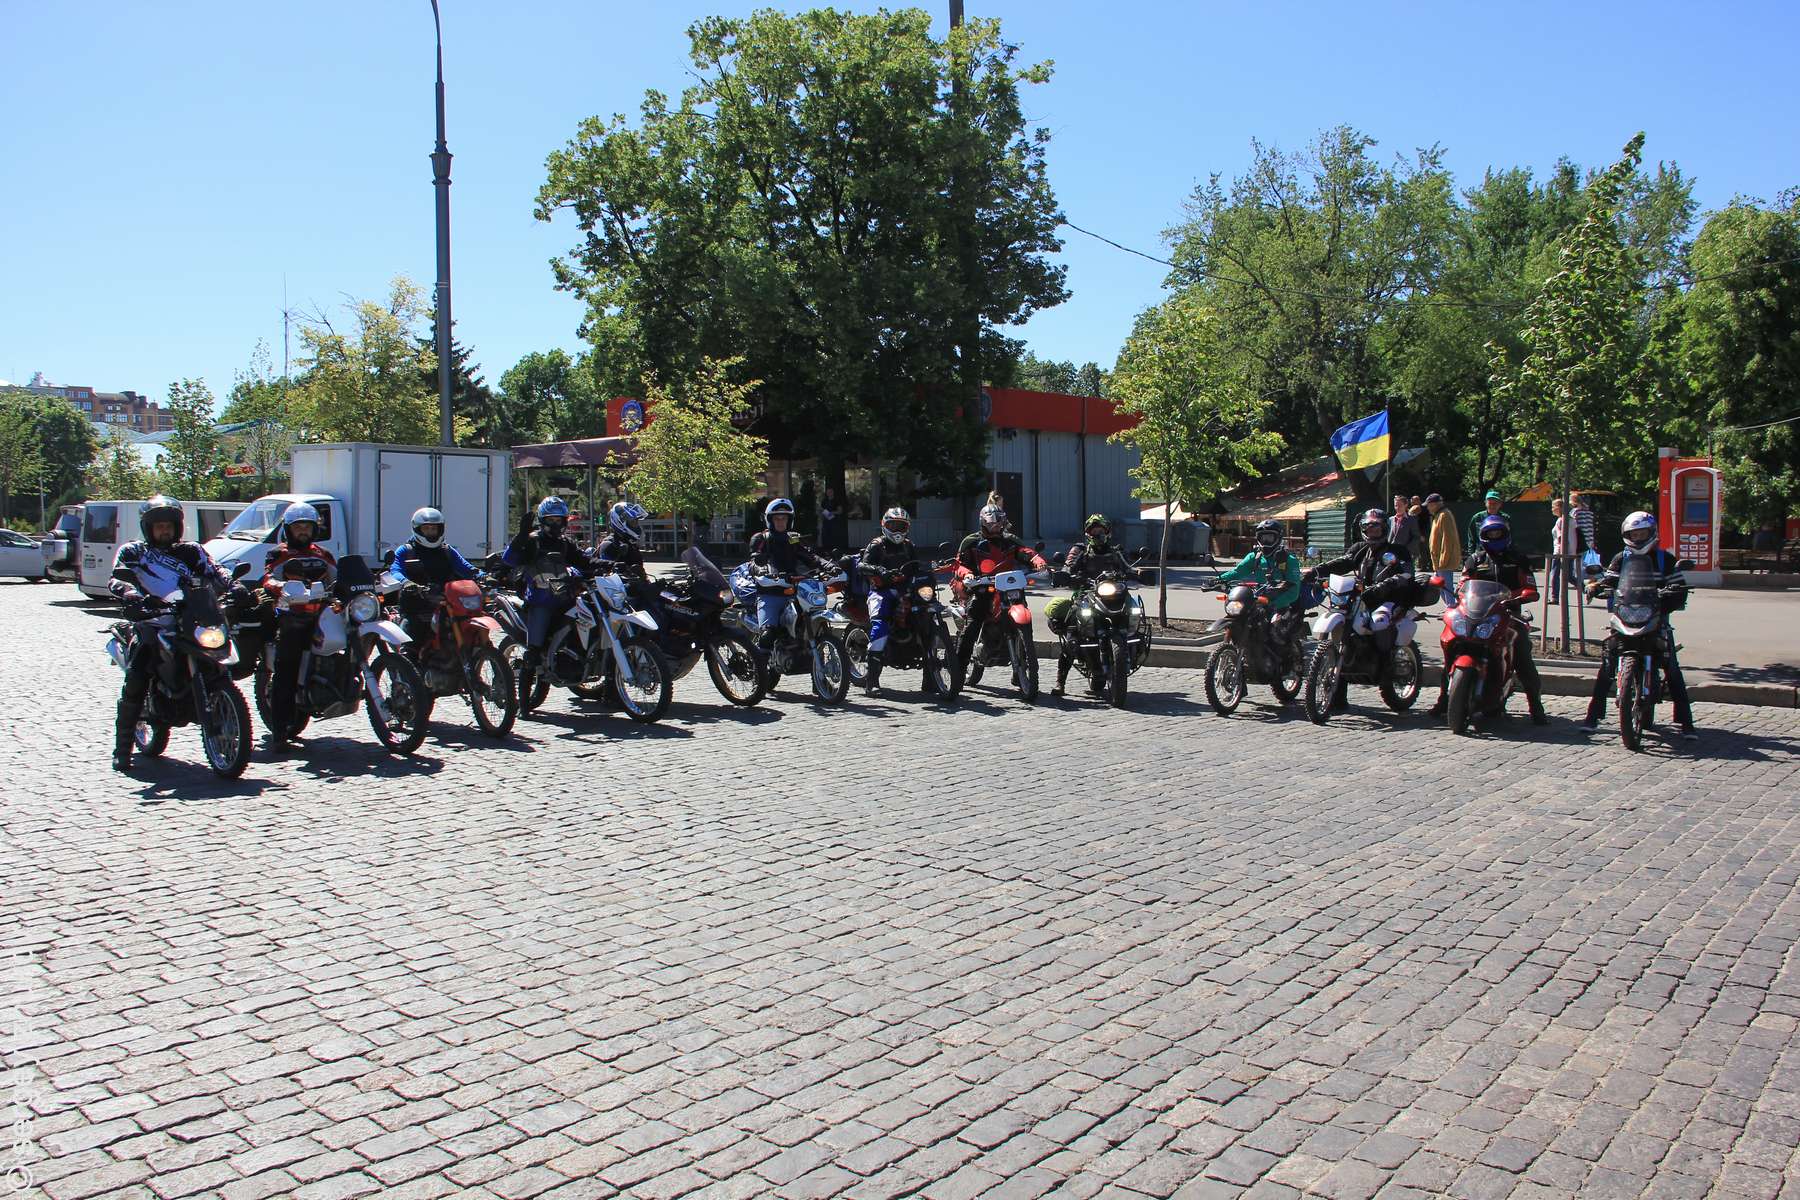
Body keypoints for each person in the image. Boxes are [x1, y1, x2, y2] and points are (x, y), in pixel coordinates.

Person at [108, 496, 248, 772]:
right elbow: (117, 578)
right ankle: (122, 749)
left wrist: (234, 586)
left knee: (221, 651)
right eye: (159, 526)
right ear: (148, 528)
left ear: (178, 527)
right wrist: (131, 595)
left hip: (192, 619)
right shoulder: (133, 552)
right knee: (138, 673)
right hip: (153, 620)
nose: (164, 531)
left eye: (169, 526)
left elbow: (215, 570)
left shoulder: (192, 551)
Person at [1582, 511, 1696, 739]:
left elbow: (1678, 587)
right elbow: (1609, 580)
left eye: (1642, 533)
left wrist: (1674, 594)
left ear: (1652, 532)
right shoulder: (1620, 558)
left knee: (1671, 666)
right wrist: (1596, 586)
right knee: (1607, 664)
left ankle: (1686, 723)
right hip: (1625, 615)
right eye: (1634, 534)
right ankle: (1592, 717)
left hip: (1655, 616)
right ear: (1627, 535)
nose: (1638, 537)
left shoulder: (1665, 559)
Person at [1434, 514, 1547, 724]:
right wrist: (1461, 595)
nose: (1494, 537)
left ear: (1506, 534)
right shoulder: (1475, 559)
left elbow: (1529, 586)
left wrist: (1520, 596)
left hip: (1508, 613)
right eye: (1490, 534)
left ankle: (1536, 707)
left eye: (1498, 533)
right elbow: (1464, 584)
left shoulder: (1518, 559)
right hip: (1478, 612)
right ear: (1483, 536)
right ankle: (1443, 700)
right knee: (1453, 647)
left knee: (1522, 653)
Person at [261, 501, 338, 745]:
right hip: (292, 615)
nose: (303, 531)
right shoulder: (279, 553)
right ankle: (280, 731)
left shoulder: (323, 554)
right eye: (298, 527)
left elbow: (338, 578)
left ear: (315, 529)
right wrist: (280, 587)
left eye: (307, 527)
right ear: (288, 529)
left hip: (323, 614)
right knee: (287, 669)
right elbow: (268, 578)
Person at [504, 497, 602, 669]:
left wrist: (607, 564)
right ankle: (530, 665)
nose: (556, 524)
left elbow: (584, 561)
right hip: (540, 599)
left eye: (559, 520)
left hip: (565, 597)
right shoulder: (533, 540)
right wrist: (521, 536)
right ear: (543, 520)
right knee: (534, 653)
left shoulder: (564, 543)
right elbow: (509, 559)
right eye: (551, 520)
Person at [1047, 514, 1135, 695]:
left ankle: (1132, 644)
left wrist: (1140, 573)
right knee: (1072, 631)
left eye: (1101, 530)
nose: (1098, 534)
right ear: (1088, 533)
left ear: (1107, 532)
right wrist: (1066, 574)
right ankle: (1060, 682)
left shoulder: (1116, 551)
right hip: (1087, 593)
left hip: (1113, 594)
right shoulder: (1080, 550)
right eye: (1094, 531)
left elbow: (1128, 567)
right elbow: (1068, 566)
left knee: (1134, 610)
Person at [954, 503, 1048, 671]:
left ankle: (1022, 667)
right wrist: (967, 574)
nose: (996, 526)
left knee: (1025, 621)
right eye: (992, 523)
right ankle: (959, 669)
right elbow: (960, 564)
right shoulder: (971, 542)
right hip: (982, 587)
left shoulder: (1010, 540)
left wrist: (1037, 560)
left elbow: (1025, 552)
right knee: (973, 622)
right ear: (983, 523)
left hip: (1009, 587)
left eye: (999, 522)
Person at [1208, 517, 1304, 679]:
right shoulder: (1255, 557)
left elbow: (1294, 589)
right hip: (1257, 600)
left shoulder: (1289, 560)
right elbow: (1237, 572)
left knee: (1277, 630)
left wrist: (1274, 602)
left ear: (1278, 538)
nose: (1266, 541)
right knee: (1242, 619)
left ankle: (1289, 665)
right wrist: (1217, 580)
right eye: (1263, 537)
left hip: (1280, 603)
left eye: (1270, 537)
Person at [740, 498, 835, 644]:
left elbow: (809, 556)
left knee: (809, 618)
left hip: (794, 591)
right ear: (770, 520)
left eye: (783, 518)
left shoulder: (793, 538)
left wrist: (829, 566)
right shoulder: (761, 538)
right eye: (776, 518)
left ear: (789, 520)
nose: (780, 522)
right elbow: (754, 561)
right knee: (768, 635)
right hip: (770, 592)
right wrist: (762, 570)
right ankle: (762, 658)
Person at [391, 506, 482, 643]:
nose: (430, 532)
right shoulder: (406, 550)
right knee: (413, 634)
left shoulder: (447, 550)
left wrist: (483, 575)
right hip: (417, 603)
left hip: (447, 601)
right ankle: (406, 655)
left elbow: (466, 567)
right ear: (417, 529)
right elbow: (395, 570)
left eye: (434, 529)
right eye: (426, 528)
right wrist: (406, 582)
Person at [855, 507, 920, 695]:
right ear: (884, 525)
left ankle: (931, 679)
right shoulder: (877, 545)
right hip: (881, 591)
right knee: (880, 626)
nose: (897, 531)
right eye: (893, 526)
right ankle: (872, 682)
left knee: (926, 615)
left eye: (901, 526)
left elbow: (917, 566)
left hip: (906, 590)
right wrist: (879, 570)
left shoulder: (909, 545)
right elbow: (861, 565)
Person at [1426, 493, 1463, 589]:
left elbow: (1448, 540)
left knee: (1447, 590)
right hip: (1439, 563)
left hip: (1444, 563)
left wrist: (1443, 561)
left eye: (1429, 505)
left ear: (1435, 504)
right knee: (1441, 589)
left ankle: (1451, 601)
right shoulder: (1438, 515)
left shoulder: (1444, 515)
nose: (1428, 508)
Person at [1546, 498, 1572, 602]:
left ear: (1559, 508)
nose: (1552, 509)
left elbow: (1561, 537)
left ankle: (1554, 597)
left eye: (1553, 507)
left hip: (1559, 552)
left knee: (1554, 574)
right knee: (1569, 576)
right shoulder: (1571, 519)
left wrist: (1560, 553)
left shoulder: (1560, 521)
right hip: (1571, 552)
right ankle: (1586, 588)